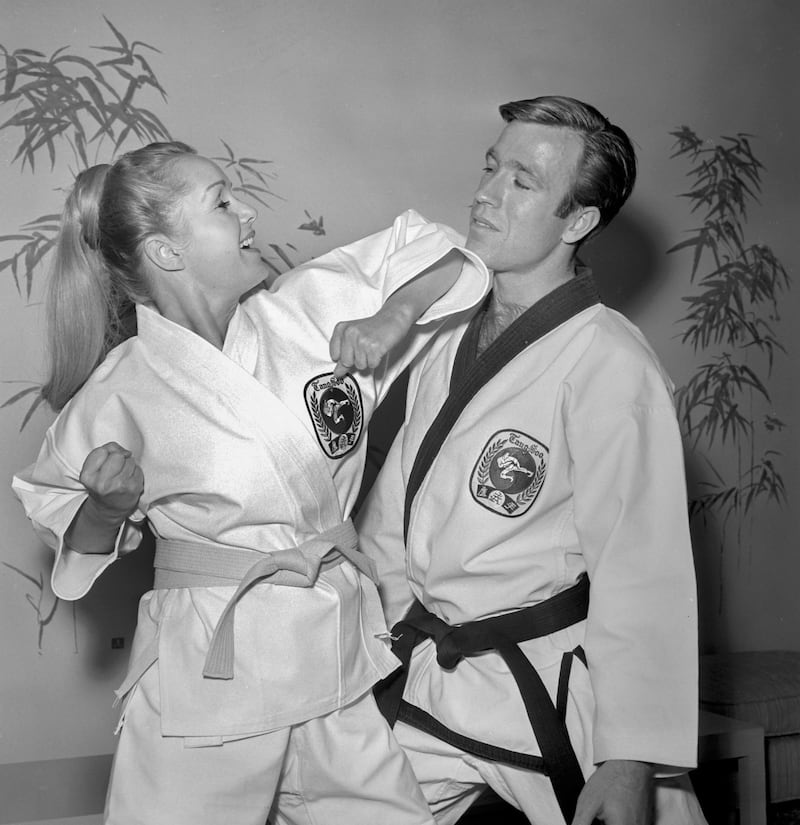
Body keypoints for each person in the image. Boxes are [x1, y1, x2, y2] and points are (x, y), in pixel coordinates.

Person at [12, 141, 492, 825]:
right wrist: (107, 506)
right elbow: (59, 521)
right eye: (222, 202)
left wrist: (394, 314)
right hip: (213, 675)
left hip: (331, 652)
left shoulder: (305, 311)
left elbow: (436, 251)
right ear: (168, 251)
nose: (249, 214)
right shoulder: (123, 389)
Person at [356, 96, 708, 825]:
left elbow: (643, 570)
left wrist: (631, 758)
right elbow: (395, 516)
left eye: (522, 181)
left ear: (577, 222)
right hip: (433, 675)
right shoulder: (444, 336)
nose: (486, 193)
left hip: (548, 687)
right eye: (491, 167)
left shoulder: (609, 362)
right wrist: (372, 645)